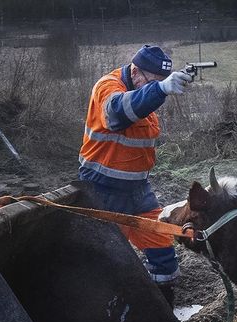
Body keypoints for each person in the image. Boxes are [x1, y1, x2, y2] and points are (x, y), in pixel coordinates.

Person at [78, 45, 193, 306]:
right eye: (153, 82)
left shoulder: (146, 94)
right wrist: (160, 89)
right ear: (136, 72)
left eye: (162, 83)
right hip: (101, 189)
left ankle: (164, 309)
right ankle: (101, 312)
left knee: (161, 245)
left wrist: (157, 88)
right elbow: (117, 114)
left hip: (138, 189)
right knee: (106, 255)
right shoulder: (108, 86)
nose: (157, 87)